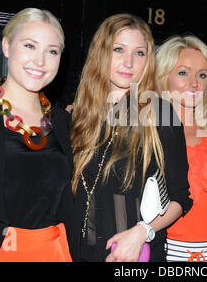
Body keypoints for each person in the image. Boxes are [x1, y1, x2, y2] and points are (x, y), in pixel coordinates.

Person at [68, 13, 192, 262]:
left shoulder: (159, 114)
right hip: (77, 252)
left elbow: (181, 198)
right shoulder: (78, 115)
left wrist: (142, 232)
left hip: (131, 255)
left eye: (139, 53)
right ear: (101, 52)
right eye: (118, 49)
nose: (128, 62)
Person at [0, 8, 73, 261]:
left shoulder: (64, 122)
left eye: (52, 51)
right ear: (7, 46)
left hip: (53, 252)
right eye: (30, 46)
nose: (40, 61)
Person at [155, 35, 207, 262]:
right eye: (183, 72)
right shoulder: (150, 131)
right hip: (169, 247)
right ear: (163, 76)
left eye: (202, 75)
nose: (195, 83)